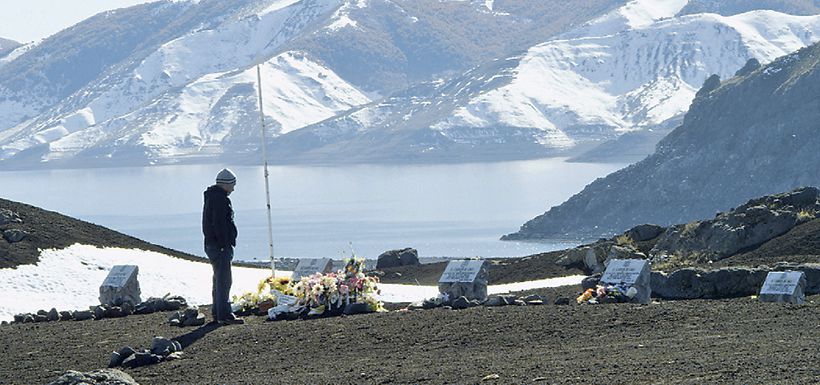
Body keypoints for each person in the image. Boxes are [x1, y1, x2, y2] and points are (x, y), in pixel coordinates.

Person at [202, 168, 244, 325]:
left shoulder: (212, 197)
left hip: (213, 245)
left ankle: (218, 313)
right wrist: (223, 244)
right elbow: (219, 223)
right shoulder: (220, 199)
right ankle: (224, 315)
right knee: (224, 280)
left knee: (218, 279)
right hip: (220, 246)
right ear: (226, 184)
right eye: (232, 185)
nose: (233, 188)